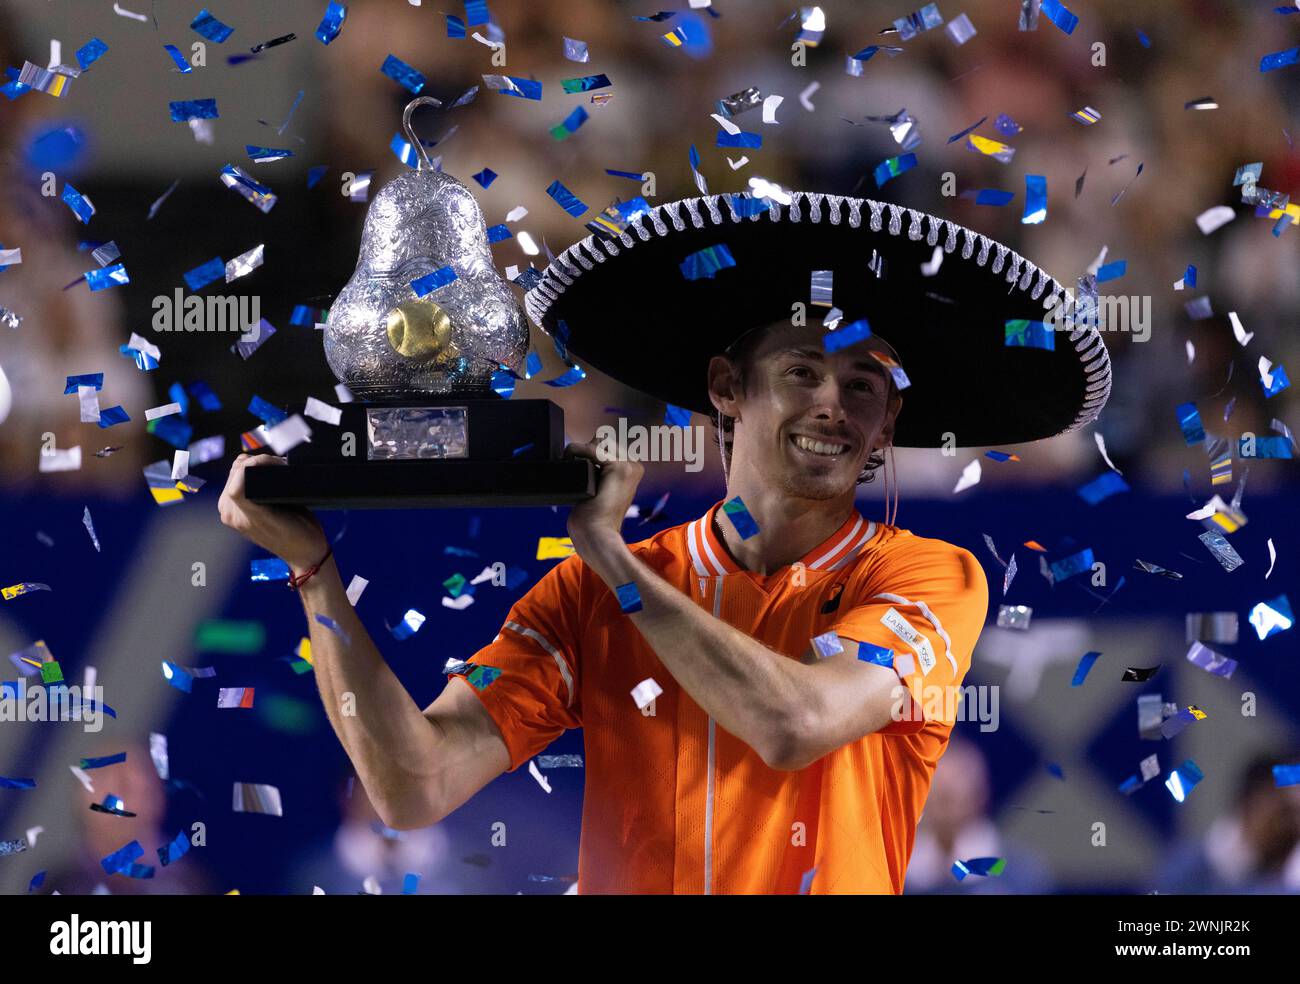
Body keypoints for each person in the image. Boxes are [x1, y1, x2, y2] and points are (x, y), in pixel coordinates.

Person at [218, 187, 1109, 894]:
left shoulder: (928, 575)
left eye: (863, 385)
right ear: (726, 387)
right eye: (801, 371)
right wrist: (314, 570)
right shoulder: (590, 595)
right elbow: (413, 787)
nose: (832, 405)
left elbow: (797, 724)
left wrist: (611, 559)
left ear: (890, 422)